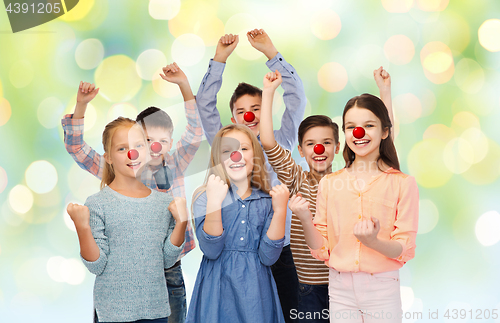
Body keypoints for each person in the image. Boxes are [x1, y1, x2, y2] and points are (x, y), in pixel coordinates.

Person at [61, 62, 202, 323]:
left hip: (167, 268)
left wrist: (184, 85)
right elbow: (78, 148)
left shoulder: (176, 162)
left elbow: (194, 133)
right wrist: (81, 106)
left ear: (170, 142)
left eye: (162, 140)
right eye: (146, 140)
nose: (154, 147)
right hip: (120, 278)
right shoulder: (122, 168)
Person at [260, 68, 394, 322]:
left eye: (326, 143)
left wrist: (384, 92)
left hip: (345, 284)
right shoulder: (296, 178)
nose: (318, 149)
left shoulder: (350, 179)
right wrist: (269, 92)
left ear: (337, 146)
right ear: (300, 149)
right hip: (307, 288)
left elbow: (384, 143)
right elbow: (267, 141)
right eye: (310, 144)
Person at [196, 29, 306, 321]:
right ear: (232, 119)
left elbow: (297, 99)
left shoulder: (280, 141)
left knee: (289, 313)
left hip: (278, 248)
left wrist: (271, 53)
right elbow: (204, 106)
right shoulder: (225, 142)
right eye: (241, 111)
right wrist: (219, 59)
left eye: (256, 108)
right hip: (235, 249)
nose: (249, 116)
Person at [289, 91, 419, 323]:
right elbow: (321, 249)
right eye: (351, 127)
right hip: (339, 289)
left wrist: (374, 242)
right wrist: (305, 219)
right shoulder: (329, 183)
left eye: (369, 125)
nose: (359, 133)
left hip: (382, 288)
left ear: (385, 131)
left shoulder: (403, 183)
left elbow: (405, 248)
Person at [66, 117, 187, 322]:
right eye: (122, 149)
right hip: (113, 315)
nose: (132, 153)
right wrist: (82, 227)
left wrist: (182, 223)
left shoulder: (163, 203)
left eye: (138, 145)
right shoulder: (97, 203)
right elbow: (97, 265)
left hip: (156, 312)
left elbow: (167, 260)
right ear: (109, 158)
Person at [186, 124, 290, 323]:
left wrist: (280, 211)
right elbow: (211, 250)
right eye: (227, 151)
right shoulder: (204, 197)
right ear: (218, 158)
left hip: (256, 296)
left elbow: (268, 257)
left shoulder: (267, 201)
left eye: (243, 148)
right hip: (216, 292)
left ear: (255, 155)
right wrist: (215, 202)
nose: (236, 155)